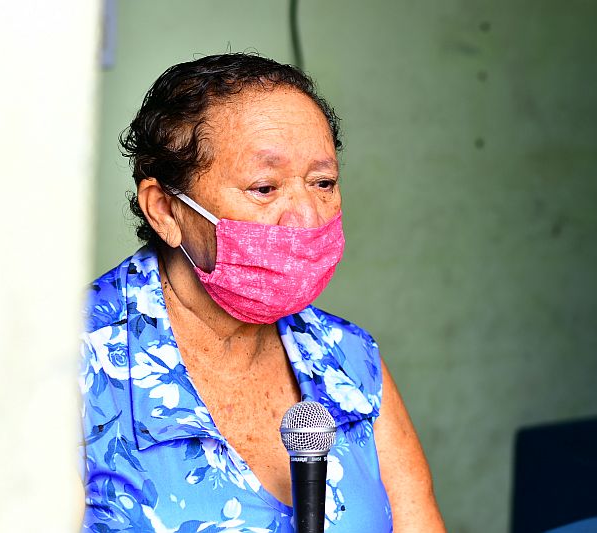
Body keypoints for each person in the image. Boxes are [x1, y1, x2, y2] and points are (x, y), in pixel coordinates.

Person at [79, 53, 446, 532]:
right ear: (166, 211)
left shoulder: (350, 362)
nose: (307, 218)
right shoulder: (71, 365)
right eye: (265, 187)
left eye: (323, 182)